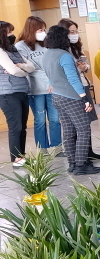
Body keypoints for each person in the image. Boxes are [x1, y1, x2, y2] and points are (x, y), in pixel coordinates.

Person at [43, 25, 100, 176]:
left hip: (57, 96)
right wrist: (84, 98)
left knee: (68, 131)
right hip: (71, 97)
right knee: (83, 129)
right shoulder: (64, 55)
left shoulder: (47, 54)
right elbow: (73, 79)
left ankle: (72, 163)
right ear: (63, 38)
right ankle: (81, 164)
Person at [58, 18, 100, 160]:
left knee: (86, 120)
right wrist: (77, 69)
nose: (75, 34)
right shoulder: (60, 50)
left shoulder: (76, 47)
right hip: (72, 89)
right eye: (71, 32)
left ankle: (88, 151)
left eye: (76, 31)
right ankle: (79, 156)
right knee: (76, 124)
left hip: (83, 84)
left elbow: (86, 64)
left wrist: (84, 67)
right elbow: (65, 71)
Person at [15, 16, 63, 155]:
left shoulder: (46, 44)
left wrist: (52, 81)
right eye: (40, 29)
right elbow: (28, 68)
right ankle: (42, 149)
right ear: (32, 30)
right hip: (34, 89)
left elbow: (53, 64)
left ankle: (57, 147)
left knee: (55, 118)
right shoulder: (20, 46)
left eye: (44, 29)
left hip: (52, 87)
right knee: (40, 120)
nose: (43, 32)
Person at [0, 21, 34, 167]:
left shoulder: (13, 49)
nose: (11, 35)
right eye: (8, 32)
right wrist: (21, 70)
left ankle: (21, 156)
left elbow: (31, 67)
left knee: (22, 126)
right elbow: (13, 71)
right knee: (16, 126)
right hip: (7, 93)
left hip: (21, 91)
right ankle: (16, 159)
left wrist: (20, 67)